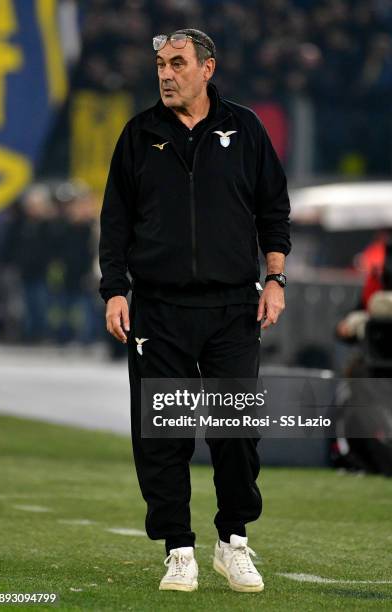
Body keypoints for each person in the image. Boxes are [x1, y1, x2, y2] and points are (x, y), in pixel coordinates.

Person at [99, 29, 291, 593]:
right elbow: (114, 224)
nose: (165, 73)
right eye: (159, 64)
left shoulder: (247, 129)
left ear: (207, 69)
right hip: (158, 310)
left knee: (237, 433)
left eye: (177, 63)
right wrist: (115, 290)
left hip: (233, 306)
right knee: (163, 436)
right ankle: (178, 548)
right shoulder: (138, 135)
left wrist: (275, 277)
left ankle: (233, 543)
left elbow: (273, 210)